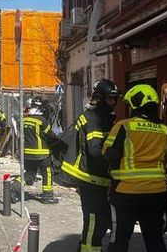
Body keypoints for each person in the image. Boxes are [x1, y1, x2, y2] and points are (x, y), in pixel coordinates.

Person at [103, 84, 167, 252]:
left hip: (126, 192)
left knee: (120, 238)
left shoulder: (124, 126)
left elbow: (108, 153)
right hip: (157, 192)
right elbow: (166, 158)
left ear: (136, 104)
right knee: (155, 239)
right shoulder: (164, 129)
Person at [60, 79, 119, 252]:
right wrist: (117, 155)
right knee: (94, 222)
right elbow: (95, 150)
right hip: (91, 179)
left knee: (98, 223)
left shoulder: (97, 115)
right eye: (110, 99)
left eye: (115, 99)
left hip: (96, 179)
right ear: (100, 98)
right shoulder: (95, 118)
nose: (114, 103)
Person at [23, 96, 58, 203]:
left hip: (27, 153)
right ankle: (47, 196)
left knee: (29, 175)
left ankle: (12, 186)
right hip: (41, 153)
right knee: (47, 173)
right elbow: (51, 135)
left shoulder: (25, 119)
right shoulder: (41, 121)